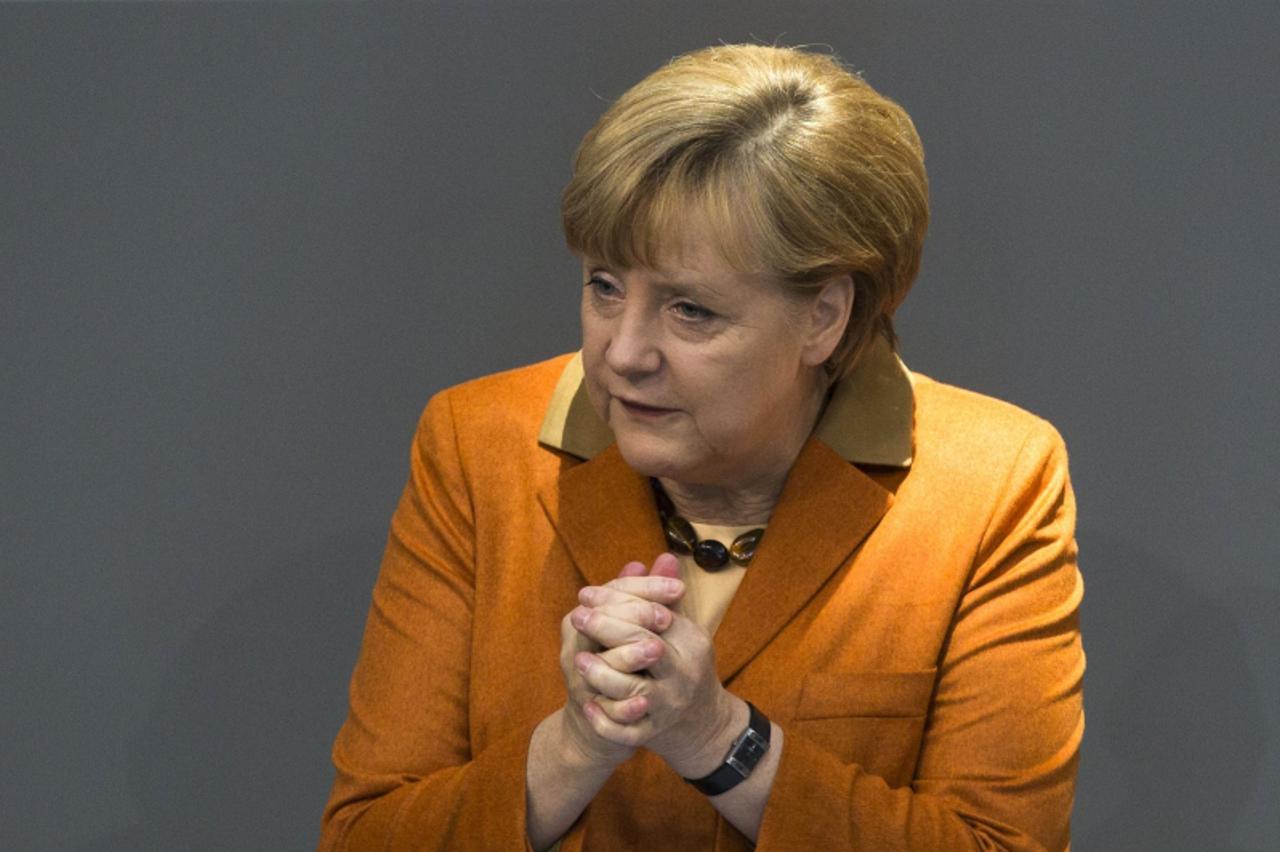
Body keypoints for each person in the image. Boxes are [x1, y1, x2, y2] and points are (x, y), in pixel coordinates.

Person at [318, 44, 1084, 852]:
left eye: (690, 310)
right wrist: (574, 747)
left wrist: (720, 740)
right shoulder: (479, 446)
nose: (622, 353)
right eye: (604, 286)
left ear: (823, 317)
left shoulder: (990, 486)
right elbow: (367, 838)